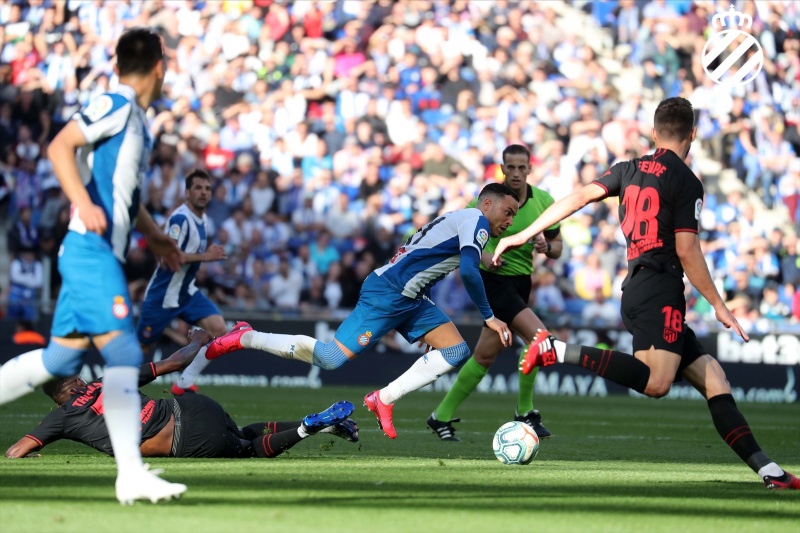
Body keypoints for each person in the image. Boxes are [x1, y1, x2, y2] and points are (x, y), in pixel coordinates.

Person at [493, 97, 799, 491]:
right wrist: (719, 305)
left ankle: (768, 471)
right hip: (660, 288)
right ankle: (556, 349)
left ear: (654, 133)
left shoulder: (628, 168)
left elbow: (579, 197)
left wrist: (522, 233)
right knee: (657, 383)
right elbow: (687, 250)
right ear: (692, 134)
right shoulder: (687, 181)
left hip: (639, 286)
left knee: (714, 379)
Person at [0, 28, 188, 504]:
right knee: (122, 354)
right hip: (91, 252)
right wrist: (82, 202)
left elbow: (125, 196)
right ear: (160, 67)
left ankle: (132, 475)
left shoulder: (138, 121)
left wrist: (154, 234)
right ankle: (131, 475)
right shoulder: (117, 105)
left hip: (94, 253)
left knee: (59, 362)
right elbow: (59, 146)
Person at [205, 183, 518, 439]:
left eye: (514, 216)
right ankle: (246, 337)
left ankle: (383, 399)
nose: (510, 221)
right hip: (388, 294)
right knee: (330, 358)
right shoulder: (476, 222)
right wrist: (489, 316)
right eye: (508, 212)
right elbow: (469, 271)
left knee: (455, 350)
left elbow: (424, 261)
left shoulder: (460, 219)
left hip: (411, 297)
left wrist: (424, 319)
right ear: (487, 204)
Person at [5, 330, 358, 461]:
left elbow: (15, 451)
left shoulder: (61, 416)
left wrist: (31, 454)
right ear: (75, 383)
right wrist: (198, 339)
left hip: (185, 437)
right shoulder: (107, 378)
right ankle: (326, 426)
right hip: (194, 406)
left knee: (248, 450)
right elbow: (175, 362)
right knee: (243, 432)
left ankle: (308, 427)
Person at [426, 144, 562, 441]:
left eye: (521, 167)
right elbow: (461, 233)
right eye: (510, 167)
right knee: (540, 339)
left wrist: (547, 246)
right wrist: (484, 255)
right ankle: (525, 412)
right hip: (494, 281)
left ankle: (440, 416)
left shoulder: (544, 202)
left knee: (485, 356)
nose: (516, 173)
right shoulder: (488, 201)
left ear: (530, 169)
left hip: (522, 282)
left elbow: (558, 248)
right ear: (502, 168)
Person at [135, 168, 229, 395]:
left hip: (186, 292)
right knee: (141, 348)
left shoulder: (203, 219)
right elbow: (170, 254)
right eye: (198, 188)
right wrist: (206, 256)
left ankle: (184, 382)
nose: (203, 192)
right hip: (163, 294)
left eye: (207, 188)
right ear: (187, 193)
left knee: (220, 331)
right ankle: (116, 387)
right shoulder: (180, 219)